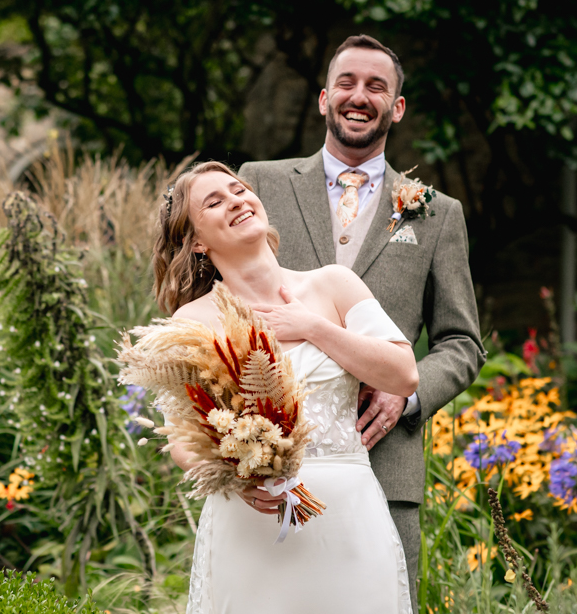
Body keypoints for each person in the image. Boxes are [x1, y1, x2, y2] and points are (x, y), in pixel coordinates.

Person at [238, 34, 486, 612]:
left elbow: (462, 342)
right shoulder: (261, 183)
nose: (359, 96)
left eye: (377, 86)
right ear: (325, 98)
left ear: (396, 107)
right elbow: (220, 298)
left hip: (383, 465)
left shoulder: (437, 214)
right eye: (347, 83)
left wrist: (408, 395)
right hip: (272, 458)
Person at [152, 161, 419, 613]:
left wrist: (314, 327)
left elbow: (403, 373)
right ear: (197, 241)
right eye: (214, 202)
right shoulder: (191, 323)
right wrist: (237, 478)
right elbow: (180, 439)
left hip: (349, 516)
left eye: (238, 190)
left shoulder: (333, 284)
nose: (236, 200)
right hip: (253, 522)